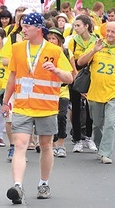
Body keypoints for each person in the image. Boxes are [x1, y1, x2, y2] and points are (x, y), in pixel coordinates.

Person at [2, 12, 73, 204]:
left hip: (46, 108)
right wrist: (5, 101)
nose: (23, 30)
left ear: (38, 29)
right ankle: (17, 186)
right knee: (20, 145)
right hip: (23, 107)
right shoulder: (17, 49)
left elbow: (70, 78)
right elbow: (11, 77)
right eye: (22, 26)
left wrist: (56, 70)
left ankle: (44, 183)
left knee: (46, 146)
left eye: (27, 27)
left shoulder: (55, 51)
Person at [77, 22, 115, 164]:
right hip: (95, 94)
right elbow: (80, 62)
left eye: (113, 32)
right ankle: (101, 146)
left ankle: (105, 152)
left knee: (110, 123)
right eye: (108, 31)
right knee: (97, 124)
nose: (109, 34)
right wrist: (93, 51)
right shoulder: (97, 45)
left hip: (113, 94)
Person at [67, 14, 98, 153]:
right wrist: (75, 76)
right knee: (76, 107)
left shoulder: (96, 40)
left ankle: (88, 137)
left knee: (90, 107)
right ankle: (77, 138)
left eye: (78, 25)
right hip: (77, 75)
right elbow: (71, 59)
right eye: (74, 25)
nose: (76, 28)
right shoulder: (72, 41)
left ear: (86, 26)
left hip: (91, 75)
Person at [47, 28, 77, 157]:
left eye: (54, 38)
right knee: (50, 117)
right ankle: (52, 144)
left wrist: (71, 81)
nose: (51, 41)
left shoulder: (66, 52)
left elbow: (74, 72)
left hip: (63, 90)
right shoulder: (44, 52)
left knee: (61, 116)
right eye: (49, 38)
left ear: (59, 40)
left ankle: (61, 144)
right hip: (48, 90)